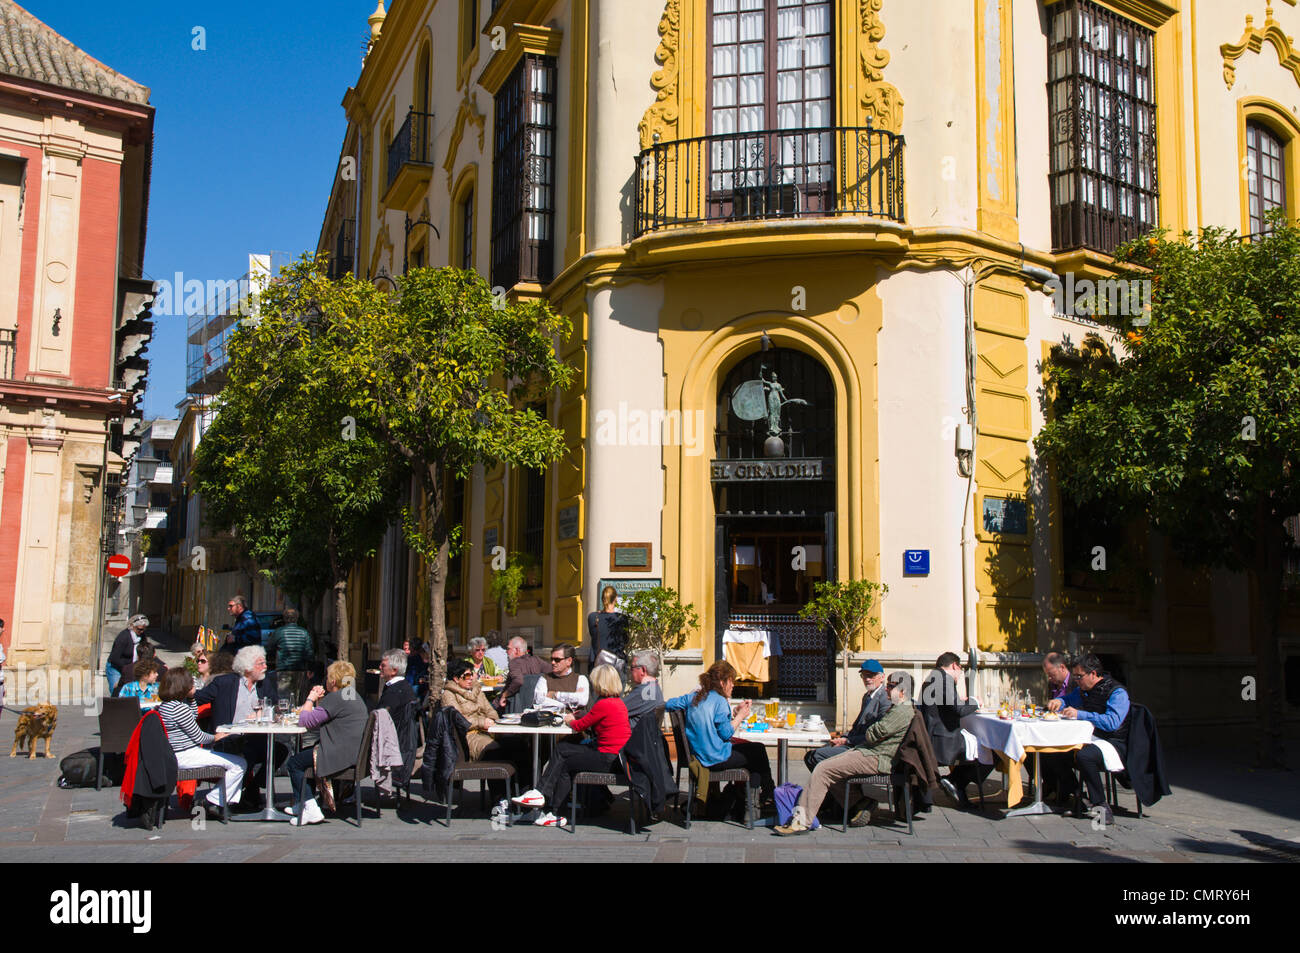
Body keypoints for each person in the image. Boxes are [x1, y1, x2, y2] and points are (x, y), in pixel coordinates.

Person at [775, 672, 916, 834]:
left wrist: (872, 731)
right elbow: (874, 731)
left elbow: (874, 733)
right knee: (826, 766)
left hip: (876, 757)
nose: (886, 690)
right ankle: (860, 803)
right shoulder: (899, 708)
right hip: (869, 752)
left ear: (902, 691)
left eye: (890, 686)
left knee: (823, 769)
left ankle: (802, 821)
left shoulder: (901, 711)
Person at [512, 664, 631, 827]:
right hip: (615, 756)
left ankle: (550, 806)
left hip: (606, 758)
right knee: (563, 749)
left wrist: (570, 719)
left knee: (565, 761)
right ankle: (544, 799)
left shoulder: (604, 704)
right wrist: (581, 716)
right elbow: (591, 719)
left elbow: (579, 726)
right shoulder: (617, 702)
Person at [665, 660, 773, 816]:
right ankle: (763, 799)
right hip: (715, 758)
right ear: (723, 682)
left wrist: (734, 713)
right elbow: (726, 734)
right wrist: (740, 716)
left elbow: (669, 704)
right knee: (757, 751)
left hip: (700, 755)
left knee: (754, 752)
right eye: (732, 681)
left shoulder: (694, 697)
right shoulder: (720, 701)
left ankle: (757, 802)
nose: (733, 685)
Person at [1048, 654, 1131, 824]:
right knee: (1053, 751)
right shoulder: (1083, 691)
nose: (1076, 680)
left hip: (1114, 743)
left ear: (1093, 674)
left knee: (1084, 756)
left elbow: (1112, 722)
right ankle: (1079, 796)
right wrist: (1058, 702)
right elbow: (1068, 699)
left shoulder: (1117, 692)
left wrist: (1081, 714)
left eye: (1079, 676)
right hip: (1090, 738)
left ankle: (1101, 806)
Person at [195, 646, 281, 810]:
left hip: (255, 737)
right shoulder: (224, 683)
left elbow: (276, 705)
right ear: (247, 667)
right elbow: (198, 698)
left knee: (279, 751)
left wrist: (266, 712)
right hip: (228, 738)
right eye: (260, 663)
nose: (265, 667)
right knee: (247, 753)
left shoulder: (264, 684)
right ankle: (220, 799)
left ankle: (251, 790)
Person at [286, 661, 369, 825]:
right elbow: (323, 715)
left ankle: (311, 809)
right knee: (305, 755)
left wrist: (311, 697)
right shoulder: (351, 694)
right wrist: (320, 702)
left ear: (332, 681)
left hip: (339, 754)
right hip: (353, 752)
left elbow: (306, 721)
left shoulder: (337, 697)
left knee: (294, 763)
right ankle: (301, 803)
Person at [157, 668, 246, 820]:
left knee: (234, 762)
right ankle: (211, 801)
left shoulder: (166, 707)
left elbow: (192, 715)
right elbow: (199, 737)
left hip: (175, 754)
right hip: (186, 754)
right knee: (239, 763)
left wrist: (191, 699)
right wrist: (216, 737)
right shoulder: (179, 709)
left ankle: (219, 802)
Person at [921, 651, 992, 809]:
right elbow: (958, 711)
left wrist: (962, 701)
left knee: (978, 743)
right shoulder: (944, 679)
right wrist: (975, 703)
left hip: (935, 733)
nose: (960, 675)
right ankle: (956, 781)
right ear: (955, 665)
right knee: (990, 748)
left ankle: (955, 783)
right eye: (960, 670)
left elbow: (948, 704)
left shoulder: (933, 677)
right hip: (944, 738)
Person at [804, 659, 891, 771]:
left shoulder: (885, 697)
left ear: (882, 677)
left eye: (872, 675)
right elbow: (857, 726)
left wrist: (847, 741)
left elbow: (878, 734)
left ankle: (844, 788)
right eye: (864, 676)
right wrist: (843, 737)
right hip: (854, 743)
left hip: (866, 749)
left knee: (816, 756)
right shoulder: (867, 696)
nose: (867, 679)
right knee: (810, 755)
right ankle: (842, 787)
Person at [377, 649, 419, 790]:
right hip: (400, 745)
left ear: (394, 670)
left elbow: (379, 723)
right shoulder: (404, 687)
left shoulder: (394, 692)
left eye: (383, 665)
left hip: (390, 746)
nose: (380, 668)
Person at [266, 608, 315, 702]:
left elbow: (270, 648)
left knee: (283, 698)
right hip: (300, 669)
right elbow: (309, 652)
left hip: (284, 669)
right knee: (298, 697)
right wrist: (310, 668)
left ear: (284, 618)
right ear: (297, 618)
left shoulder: (279, 632)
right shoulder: (304, 632)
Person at [533, 643, 590, 712]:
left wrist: (555, 695)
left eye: (557, 660)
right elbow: (539, 700)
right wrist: (566, 703)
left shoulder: (581, 679)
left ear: (569, 661)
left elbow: (582, 700)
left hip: (572, 721)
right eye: (552, 659)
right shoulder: (544, 678)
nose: (553, 662)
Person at [496, 635, 548, 711]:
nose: (506, 651)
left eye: (508, 649)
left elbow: (518, 681)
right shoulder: (537, 660)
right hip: (533, 705)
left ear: (517, 650)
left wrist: (504, 695)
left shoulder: (515, 663)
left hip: (513, 705)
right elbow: (552, 672)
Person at [585, 586, 629, 669]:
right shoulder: (622, 618)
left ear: (602, 599)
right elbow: (625, 640)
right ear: (616, 598)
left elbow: (593, 635)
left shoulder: (592, 617)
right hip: (616, 664)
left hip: (597, 663)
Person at [107, 614, 150, 695]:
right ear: (132, 626)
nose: (141, 632)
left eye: (143, 629)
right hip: (116, 667)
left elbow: (146, 650)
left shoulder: (142, 636)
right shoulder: (123, 637)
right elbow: (114, 658)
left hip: (130, 668)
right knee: (116, 692)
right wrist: (128, 668)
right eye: (139, 629)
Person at [624, 650, 664, 731]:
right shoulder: (654, 687)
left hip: (632, 740)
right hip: (646, 739)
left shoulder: (645, 691)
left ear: (643, 670)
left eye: (632, 668)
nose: (631, 671)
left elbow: (614, 710)